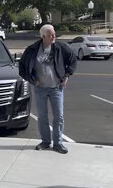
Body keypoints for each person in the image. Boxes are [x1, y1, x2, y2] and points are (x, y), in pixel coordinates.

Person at [19, 24, 77, 154]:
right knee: (42, 117)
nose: (54, 36)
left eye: (54, 34)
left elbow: (73, 60)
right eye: (51, 35)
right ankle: (45, 142)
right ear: (43, 36)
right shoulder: (32, 49)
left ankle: (58, 143)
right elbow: (22, 68)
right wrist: (33, 80)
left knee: (59, 116)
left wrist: (67, 75)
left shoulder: (60, 48)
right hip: (40, 89)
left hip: (56, 88)